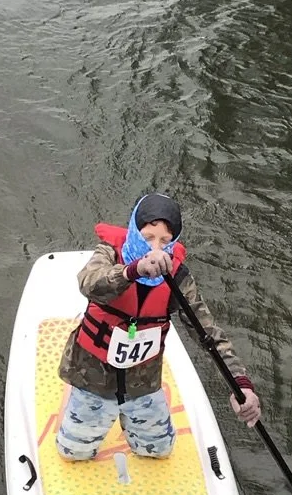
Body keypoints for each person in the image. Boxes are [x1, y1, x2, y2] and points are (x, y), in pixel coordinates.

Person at [55, 193, 262, 463]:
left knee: (158, 451)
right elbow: (89, 283)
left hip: (143, 381)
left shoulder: (178, 277)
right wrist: (133, 271)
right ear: (134, 231)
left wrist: (241, 384)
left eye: (165, 241)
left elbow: (208, 332)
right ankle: (76, 402)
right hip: (91, 376)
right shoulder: (108, 254)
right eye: (148, 237)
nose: (155, 248)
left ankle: (138, 417)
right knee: (73, 454)